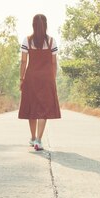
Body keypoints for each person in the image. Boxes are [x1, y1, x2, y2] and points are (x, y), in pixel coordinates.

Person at [18, 14, 61, 151]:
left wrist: (21, 79)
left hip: (31, 78)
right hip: (47, 79)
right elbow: (54, 63)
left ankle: (32, 137)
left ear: (33, 25)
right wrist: (52, 78)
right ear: (46, 25)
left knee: (32, 108)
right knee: (43, 110)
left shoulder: (27, 40)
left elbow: (24, 61)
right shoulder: (51, 41)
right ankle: (38, 140)